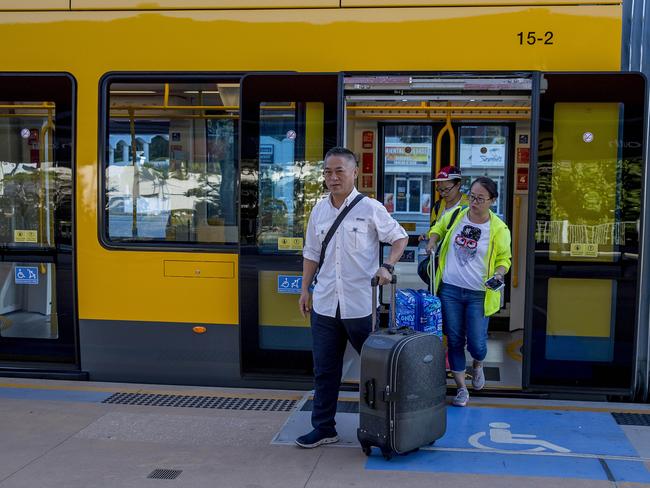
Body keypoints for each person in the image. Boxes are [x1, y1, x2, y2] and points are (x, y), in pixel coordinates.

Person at [296, 147, 408, 448]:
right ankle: (323, 428)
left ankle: (382, 428)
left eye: (339, 171)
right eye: (327, 172)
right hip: (325, 304)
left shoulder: (370, 208)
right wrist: (305, 289)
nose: (332, 178)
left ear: (354, 172)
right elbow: (311, 254)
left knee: (375, 371)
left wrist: (387, 265)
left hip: (361, 306)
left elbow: (400, 237)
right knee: (325, 372)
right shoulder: (318, 211)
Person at [426, 176, 511, 407]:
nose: (474, 202)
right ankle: (462, 388)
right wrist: (433, 240)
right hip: (450, 290)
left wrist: (499, 273)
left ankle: (478, 363)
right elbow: (438, 228)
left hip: (478, 294)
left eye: (480, 199)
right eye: (472, 197)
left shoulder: (499, 229)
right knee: (454, 340)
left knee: (476, 343)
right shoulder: (455, 215)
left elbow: (504, 258)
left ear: (492, 200)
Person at [417, 166, 469, 285]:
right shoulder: (438, 206)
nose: (443, 193)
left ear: (458, 185)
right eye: (440, 190)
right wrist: (428, 235)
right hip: (438, 260)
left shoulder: (469, 205)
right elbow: (435, 228)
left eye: (447, 189)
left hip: (458, 262)